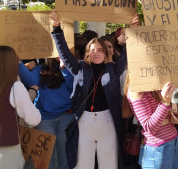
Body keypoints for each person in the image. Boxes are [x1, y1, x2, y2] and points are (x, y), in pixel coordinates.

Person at [50, 11, 127, 169]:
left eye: (99, 50)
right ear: (87, 53)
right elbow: (64, 53)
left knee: (109, 164)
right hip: (84, 122)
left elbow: (128, 55)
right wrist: (56, 28)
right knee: (83, 164)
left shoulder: (113, 68)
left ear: (105, 53)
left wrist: (134, 28)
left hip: (108, 122)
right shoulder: (80, 68)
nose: (96, 53)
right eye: (92, 50)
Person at [18, 57, 74, 169]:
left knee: (66, 158)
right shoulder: (39, 69)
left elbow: (73, 85)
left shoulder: (68, 67)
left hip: (66, 117)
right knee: (46, 161)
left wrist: (64, 68)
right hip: (44, 120)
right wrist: (17, 61)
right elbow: (29, 80)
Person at [127, 81, 178, 169]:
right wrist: (165, 102)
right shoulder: (136, 89)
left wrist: (177, 118)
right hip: (158, 149)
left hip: (173, 142)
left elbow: (163, 114)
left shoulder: (157, 83)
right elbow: (149, 127)